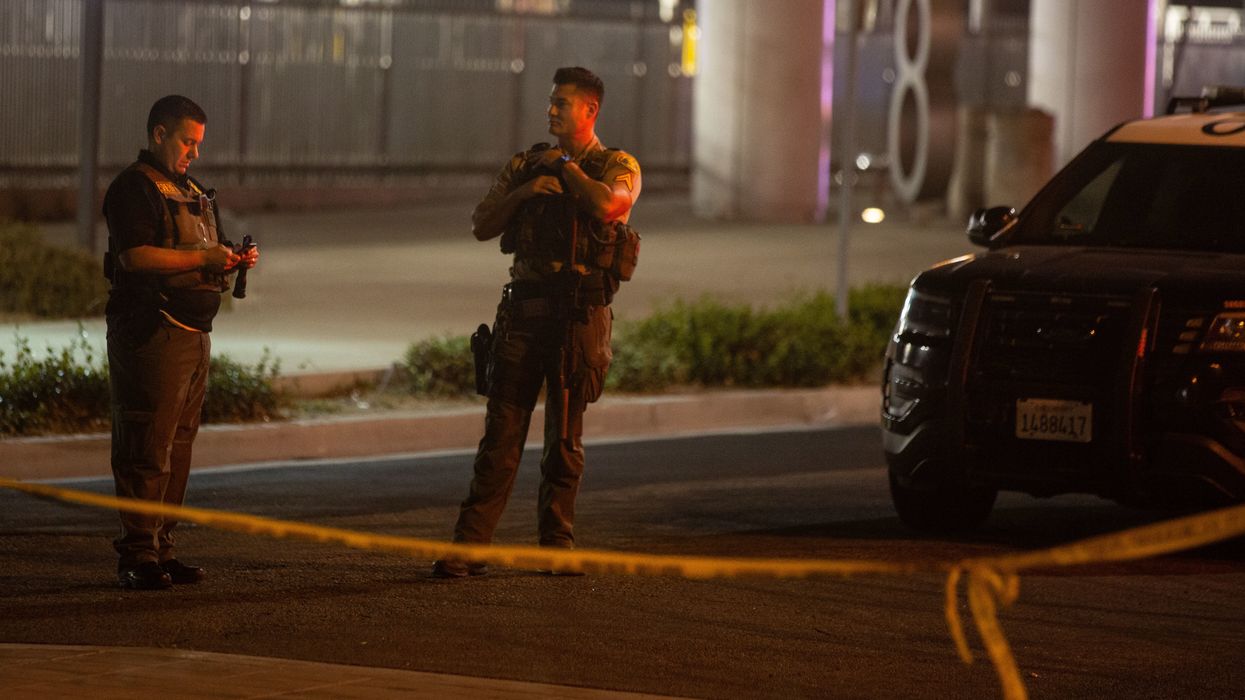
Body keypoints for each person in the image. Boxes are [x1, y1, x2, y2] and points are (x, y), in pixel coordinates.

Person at [433, 66, 642, 578]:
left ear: (590, 110)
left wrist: (566, 172)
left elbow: (608, 205)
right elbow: (482, 223)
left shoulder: (618, 164)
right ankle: (471, 546)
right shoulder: (525, 165)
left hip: (579, 315)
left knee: (565, 439)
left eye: (562, 103)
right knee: (500, 434)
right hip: (524, 311)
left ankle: (557, 543)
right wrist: (528, 191)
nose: (550, 110)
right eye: (550, 102)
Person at [102, 95, 259, 590]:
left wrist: (234, 258)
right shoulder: (134, 188)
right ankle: (137, 554)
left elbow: (205, 250)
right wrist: (205, 260)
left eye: (198, 144)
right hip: (153, 331)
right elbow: (134, 258)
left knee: (179, 448)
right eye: (187, 141)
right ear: (158, 134)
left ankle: (163, 549)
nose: (194, 152)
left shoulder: (190, 189)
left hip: (194, 334)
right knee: (146, 445)